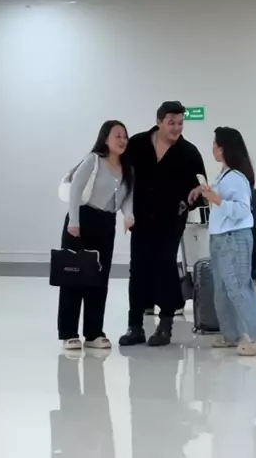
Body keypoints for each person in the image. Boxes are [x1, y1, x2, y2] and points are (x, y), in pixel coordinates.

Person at [119, 101, 207, 348]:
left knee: (165, 266)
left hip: (171, 220)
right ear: (159, 122)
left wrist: (190, 199)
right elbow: (122, 175)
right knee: (138, 269)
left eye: (180, 123)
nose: (177, 128)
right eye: (171, 123)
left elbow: (201, 186)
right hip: (141, 219)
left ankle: (165, 324)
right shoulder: (137, 144)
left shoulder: (189, 152)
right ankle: (135, 326)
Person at [190, 126, 256, 357]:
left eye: (215, 145)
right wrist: (205, 191)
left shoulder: (236, 178)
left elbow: (241, 210)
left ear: (223, 149)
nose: (212, 149)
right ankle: (232, 335)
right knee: (222, 289)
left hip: (234, 238)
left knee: (239, 288)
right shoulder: (224, 175)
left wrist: (216, 199)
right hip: (220, 237)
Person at [58, 120, 134, 351]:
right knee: (74, 276)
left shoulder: (127, 168)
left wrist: (128, 216)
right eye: (117, 136)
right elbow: (76, 189)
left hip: (106, 223)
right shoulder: (93, 160)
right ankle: (69, 333)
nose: (122, 140)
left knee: (99, 279)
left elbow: (127, 198)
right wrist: (74, 221)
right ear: (105, 139)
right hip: (82, 219)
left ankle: (93, 333)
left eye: (125, 136)